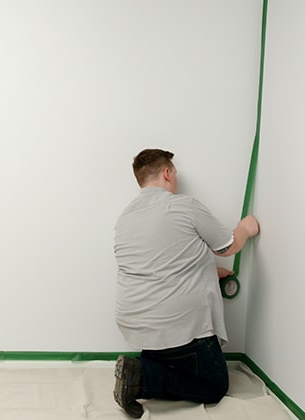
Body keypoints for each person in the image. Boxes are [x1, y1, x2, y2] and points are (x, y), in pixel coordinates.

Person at [112, 149, 260, 418]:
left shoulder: (125, 218)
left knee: (172, 358)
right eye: (175, 173)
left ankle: (146, 368)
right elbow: (228, 246)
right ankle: (143, 378)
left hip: (137, 326)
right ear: (167, 173)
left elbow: (162, 263)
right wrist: (246, 228)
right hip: (178, 327)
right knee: (215, 387)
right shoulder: (183, 205)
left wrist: (209, 272)